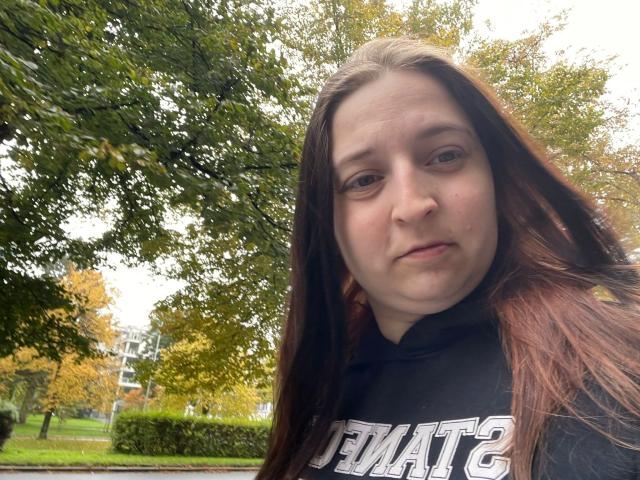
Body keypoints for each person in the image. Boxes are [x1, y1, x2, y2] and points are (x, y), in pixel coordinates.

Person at [256, 38, 640, 480]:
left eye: (446, 156)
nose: (413, 205)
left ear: (495, 179)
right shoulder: (318, 386)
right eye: (364, 180)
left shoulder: (615, 371)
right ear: (328, 223)